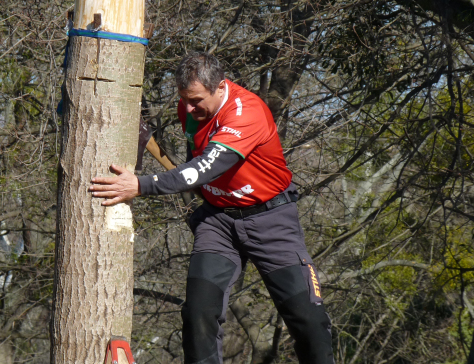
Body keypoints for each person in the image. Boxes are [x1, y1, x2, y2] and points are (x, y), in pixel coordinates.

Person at [89, 52, 335, 364]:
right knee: (198, 314)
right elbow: (196, 162)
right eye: (183, 100)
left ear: (220, 87)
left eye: (195, 100)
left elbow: (203, 168)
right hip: (218, 222)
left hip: (271, 220)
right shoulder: (191, 107)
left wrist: (140, 185)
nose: (188, 109)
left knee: (310, 323)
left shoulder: (247, 114)